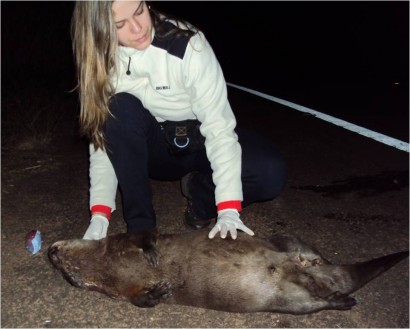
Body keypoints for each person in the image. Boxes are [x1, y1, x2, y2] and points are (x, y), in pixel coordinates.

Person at [71, 0, 287, 240]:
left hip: (201, 139)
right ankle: (141, 230)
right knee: (117, 109)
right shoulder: (102, 64)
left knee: (269, 171)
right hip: (157, 150)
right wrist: (99, 214)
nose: (138, 28)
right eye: (120, 24)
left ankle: (200, 198)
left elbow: (218, 128)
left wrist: (228, 209)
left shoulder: (188, 45)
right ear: (100, 29)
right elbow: (103, 142)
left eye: (140, 11)